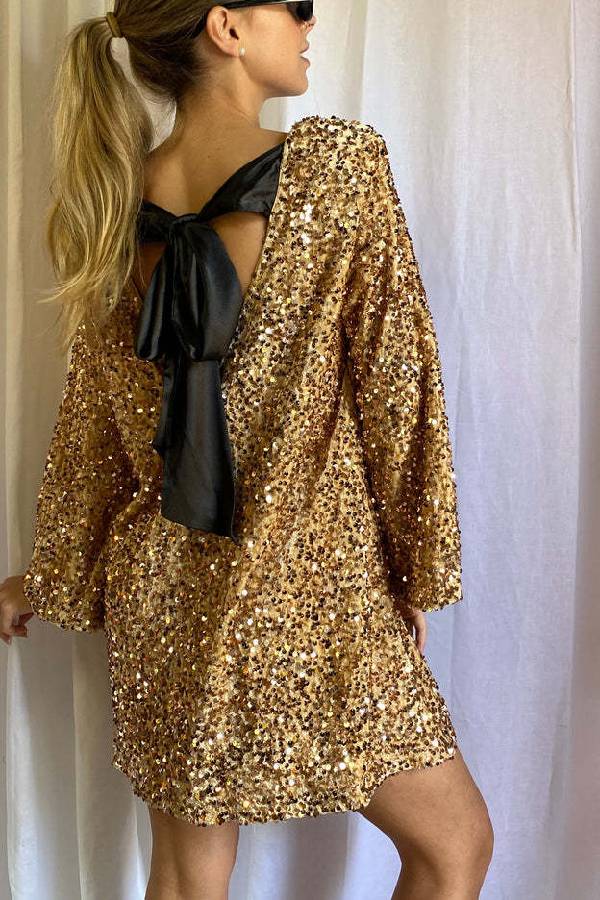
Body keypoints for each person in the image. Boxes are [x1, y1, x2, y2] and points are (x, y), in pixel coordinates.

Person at [1, 2, 493, 897]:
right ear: (226, 27)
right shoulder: (338, 171)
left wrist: (52, 573)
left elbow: (95, 429)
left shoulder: (110, 204)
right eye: (294, 7)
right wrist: (415, 569)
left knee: (187, 878)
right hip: (318, 590)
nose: (310, 23)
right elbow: (399, 387)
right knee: (454, 844)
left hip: (167, 600)